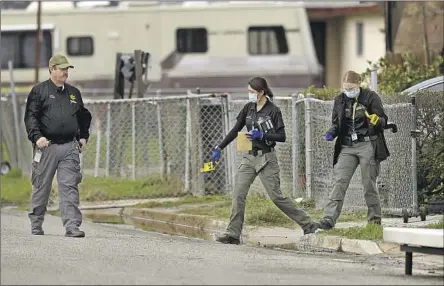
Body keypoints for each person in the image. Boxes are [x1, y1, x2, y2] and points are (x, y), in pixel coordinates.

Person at [211, 77, 320, 245]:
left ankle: (308, 224)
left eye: (252, 92)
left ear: (261, 92)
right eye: (248, 92)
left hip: (266, 158)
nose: (250, 95)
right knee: (238, 194)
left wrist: (262, 135)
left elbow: (281, 136)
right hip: (249, 157)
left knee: (277, 197)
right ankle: (232, 234)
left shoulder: (273, 110)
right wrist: (220, 147)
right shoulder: (249, 108)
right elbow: (235, 130)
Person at [24, 53, 92, 237]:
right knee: (41, 186)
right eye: (62, 69)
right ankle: (36, 222)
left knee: (69, 186)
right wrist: (37, 137)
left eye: (67, 69)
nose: (65, 72)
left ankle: (72, 227)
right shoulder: (39, 92)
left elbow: (83, 116)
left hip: (69, 147)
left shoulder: (73, 93)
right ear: (52, 69)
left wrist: (83, 136)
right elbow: (31, 117)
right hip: (47, 147)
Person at [319, 70, 390, 230]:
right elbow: (336, 123)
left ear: (358, 84)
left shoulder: (371, 97)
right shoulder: (340, 100)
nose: (348, 91)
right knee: (339, 181)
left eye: (351, 88)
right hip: (347, 145)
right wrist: (332, 131)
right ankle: (329, 219)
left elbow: (383, 120)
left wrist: (377, 121)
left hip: (367, 144)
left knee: (368, 183)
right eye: (345, 88)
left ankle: (374, 221)